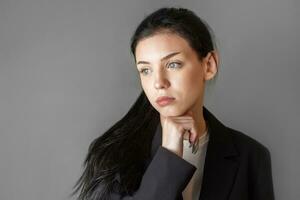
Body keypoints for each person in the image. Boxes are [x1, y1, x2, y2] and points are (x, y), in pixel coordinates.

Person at [71, 7, 275, 200]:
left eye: (173, 64)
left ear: (209, 65)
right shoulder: (114, 156)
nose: (159, 82)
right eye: (145, 70)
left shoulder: (251, 156)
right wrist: (169, 154)